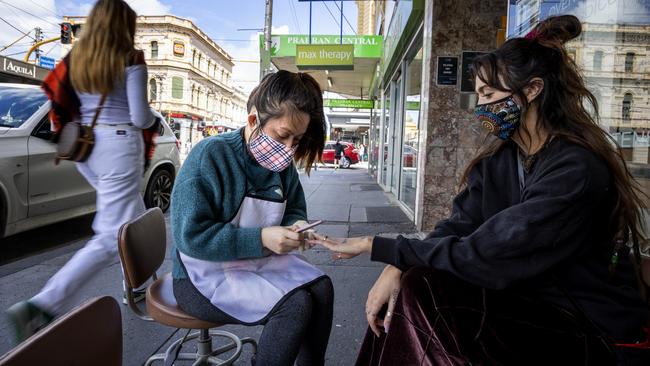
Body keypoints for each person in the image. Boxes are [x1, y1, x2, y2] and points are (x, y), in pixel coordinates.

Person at [310, 15, 650, 365]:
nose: (481, 106)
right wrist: (398, 265)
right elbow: (460, 225)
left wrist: (379, 246)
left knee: (424, 295)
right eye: (478, 95)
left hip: (585, 326)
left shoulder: (575, 168)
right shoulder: (501, 160)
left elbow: (493, 251)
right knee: (416, 284)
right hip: (527, 306)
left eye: (488, 93)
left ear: (532, 90)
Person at [5, 0, 160, 344]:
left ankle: (137, 287)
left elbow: (62, 99)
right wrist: (153, 121)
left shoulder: (79, 58)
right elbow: (139, 117)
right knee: (109, 236)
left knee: (132, 216)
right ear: (124, 26)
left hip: (88, 147)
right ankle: (41, 305)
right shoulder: (131, 58)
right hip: (119, 143)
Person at [171, 70, 333, 366]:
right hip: (200, 275)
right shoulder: (210, 156)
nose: (288, 149)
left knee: (322, 289)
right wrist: (260, 239)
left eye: (296, 139)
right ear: (253, 120)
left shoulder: (281, 163)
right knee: (295, 307)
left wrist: (297, 226)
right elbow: (190, 236)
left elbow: (295, 207)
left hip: (255, 263)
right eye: (283, 135)